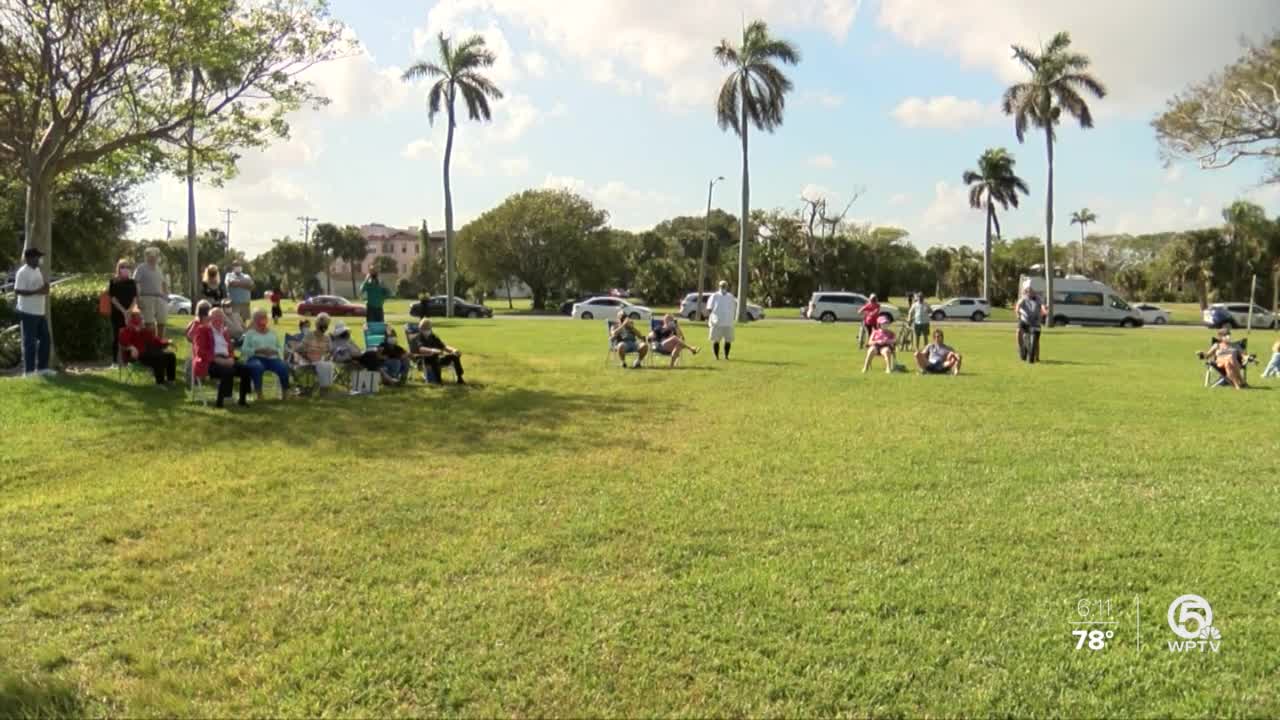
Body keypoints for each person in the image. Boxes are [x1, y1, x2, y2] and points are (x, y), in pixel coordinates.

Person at [192, 306, 252, 407]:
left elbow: (230, 350)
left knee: (245, 369)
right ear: (210, 319)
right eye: (215, 317)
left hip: (226, 359)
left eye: (220, 317)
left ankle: (242, 400)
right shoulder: (203, 330)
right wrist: (216, 359)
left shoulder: (224, 332)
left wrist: (231, 358)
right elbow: (200, 351)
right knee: (228, 371)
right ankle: (220, 402)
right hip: (209, 362)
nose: (218, 319)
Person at [14, 247, 53, 376]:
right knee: (29, 342)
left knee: (45, 340)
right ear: (29, 258)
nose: (39, 259)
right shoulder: (22, 272)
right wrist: (37, 291)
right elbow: (18, 290)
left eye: (39, 257)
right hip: (28, 311)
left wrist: (45, 289)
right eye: (37, 257)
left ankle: (42, 368)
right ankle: (29, 372)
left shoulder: (37, 270)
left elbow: (41, 288)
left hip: (39, 311)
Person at [118, 305, 177, 386]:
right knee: (158, 357)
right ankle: (160, 383)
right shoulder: (125, 331)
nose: (142, 320)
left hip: (147, 352)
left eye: (141, 318)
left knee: (170, 355)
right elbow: (123, 342)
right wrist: (131, 347)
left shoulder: (144, 331)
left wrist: (167, 342)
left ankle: (171, 380)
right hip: (136, 356)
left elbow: (155, 340)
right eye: (140, 318)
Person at [240, 309, 289, 401]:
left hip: (272, 358)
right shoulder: (250, 334)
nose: (263, 319)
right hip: (255, 358)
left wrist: (274, 351)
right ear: (254, 320)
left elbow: (279, 347)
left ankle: (285, 393)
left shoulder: (272, 332)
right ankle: (259, 394)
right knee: (257, 367)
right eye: (260, 318)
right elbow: (244, 349)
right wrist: (257, 350)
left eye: (264, 317)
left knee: (283, 367)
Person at [411, 318, 466, 384]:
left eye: (428, 328)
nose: (427, 330)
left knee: (454, 356)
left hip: (436, 358)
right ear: (420, 328)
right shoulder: (417, 337)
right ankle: (438, 380)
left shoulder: (433, 336)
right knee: (434, 356)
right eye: (425, 328)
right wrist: (433, 350)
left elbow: (443, 347)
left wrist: (453, 350)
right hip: (423, 359)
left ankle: (459, 378)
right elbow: (421, 349)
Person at [106, 258, 138, 366]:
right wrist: (123, 311)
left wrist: (129, 311)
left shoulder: (132, 282)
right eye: (122, 267)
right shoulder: (113, 282)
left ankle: (128, 361)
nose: (125, 269)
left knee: (129, 337)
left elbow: (134, 298)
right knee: (116, 337)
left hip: (129, 314)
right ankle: (114, 361)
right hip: (117, 313)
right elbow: (113, 298)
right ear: (118, 269)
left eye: (127, 267)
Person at [132, 247, 169, 336]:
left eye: (155, 255)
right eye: (151, 255)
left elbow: (163, 283)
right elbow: (135, 283)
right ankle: (151, 346)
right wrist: (138, 299)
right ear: (146, 256)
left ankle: (160, 345)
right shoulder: (141, 268)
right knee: (149, 324)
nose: (153, 257)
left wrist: (166, 296)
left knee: (162, 323)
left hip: (160, 299)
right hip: (146, 298)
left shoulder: (159, 268)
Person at [298, 313, 336, 389]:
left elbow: (331, 351)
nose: (325, 328)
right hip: (307, 361)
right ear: (317, 325)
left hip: (320, 361)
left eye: (326, 325)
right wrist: (308, 359)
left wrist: (328, 357)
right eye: (323, 326)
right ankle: (323, 387)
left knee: (328, 364)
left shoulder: (327, 338)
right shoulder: (309, 335)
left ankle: (325, 386)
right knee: (324, 365)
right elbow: (300, 350)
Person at [706, 280, 737, 360]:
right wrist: (713, 317)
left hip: (728, 322)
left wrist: (731, 317)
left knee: (728, 340)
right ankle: (716, 357)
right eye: (722, 286)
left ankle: (726, 356)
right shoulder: (714, 296)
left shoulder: (730, 296)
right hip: (717, 322)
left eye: (724, 286)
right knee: (716, 340)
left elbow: (733, 308)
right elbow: (709, 308)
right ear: (719, 286)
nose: (723, 287)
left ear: (727, 287)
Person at [1016, 287, 1043, 363]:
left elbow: (1042, 306)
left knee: (1036, 340)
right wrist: (1018, 313)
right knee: (1018, 332)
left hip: (1035, 321)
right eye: (1029, 292)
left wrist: (1045, 311)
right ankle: (1020, 348)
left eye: (1032, 291)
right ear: (1026, 293)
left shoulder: (1038, 299)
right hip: (1024, 320)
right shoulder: (1023, 299)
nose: (1031, 293)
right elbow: (1018, 306)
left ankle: (1037, 357)